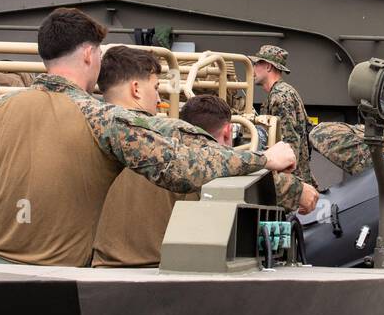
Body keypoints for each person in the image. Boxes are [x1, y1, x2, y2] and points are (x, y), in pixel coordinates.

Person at [0, 8, 297, 266]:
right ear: (88, 56)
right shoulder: (102, 119)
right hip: (63, 284)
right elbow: (182, 168)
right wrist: (263, 159)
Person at [92, 53, 318, 267]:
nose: (159, 98)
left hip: (93, 270)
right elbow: (217, 165)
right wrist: (297, 190)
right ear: (136, 89)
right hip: (158, 272)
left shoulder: (89, 129)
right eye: (156, 87)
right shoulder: (167, 133)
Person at [250, 44, 317, 188]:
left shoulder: (280, 97)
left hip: (292, 180)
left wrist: (288, 186)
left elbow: (289, 143)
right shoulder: (281, 93)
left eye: (256, 63)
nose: (253, 68)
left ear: (268, 67)